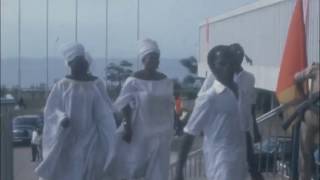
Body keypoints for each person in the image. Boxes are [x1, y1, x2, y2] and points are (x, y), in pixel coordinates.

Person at [35, 42, 116, 180]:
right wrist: (61, 118)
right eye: (79, 61)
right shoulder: (62, 85)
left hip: (92, 138)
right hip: (69, 138)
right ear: (70, 63)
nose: (84, 64)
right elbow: (52, 109)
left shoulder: (96, 84)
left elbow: (105, 109)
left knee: (90, 171)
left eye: (84, 61)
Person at [175, 45, 247, 180]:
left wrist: (253, 165)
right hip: (220, 164)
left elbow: (245, 129)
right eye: (222, 64)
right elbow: (190, 133)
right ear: (214, 68)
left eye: (231, 63)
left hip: (240, 162)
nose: (228, 67)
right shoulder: (209, 97)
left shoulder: (241, 92)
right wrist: (179, 170)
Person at [108, 38, 174, 180]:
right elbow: (124, 102)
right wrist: (127, 125)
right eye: (152, 58)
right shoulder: (134, 80)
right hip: (141, 132)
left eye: (157, 58)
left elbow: (170, 104)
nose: (155, 61)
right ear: (144, 59)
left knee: (159, 173)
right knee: (134, 169)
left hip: (162, 132)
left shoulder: (165, 80)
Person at [229, 43, 264, 180]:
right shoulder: (221, 77)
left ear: (243, 56)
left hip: (244, 131)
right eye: (234, 54)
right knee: (230, 166)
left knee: (253, 167)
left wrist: (255, 130)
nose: (238, 57)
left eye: (240, 54)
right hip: (227, 131)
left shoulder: (250, 78)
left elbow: (252, 106)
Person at [294, 62, 319, 180]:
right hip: (311, 115)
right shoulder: (316, 69)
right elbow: (297, 78)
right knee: (304, 157)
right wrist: (303, 97)